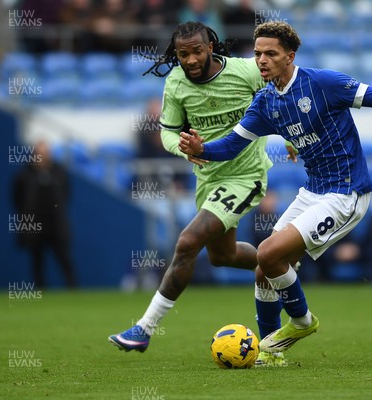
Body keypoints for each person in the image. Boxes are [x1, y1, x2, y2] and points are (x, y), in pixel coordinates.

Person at [180, 21, 372, 355]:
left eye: (271, 53)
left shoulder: (323, 83)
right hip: (314, 191)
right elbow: (230, 146)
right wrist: (201, 150)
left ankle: (302, 320)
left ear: (290, 56)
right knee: (262, 270)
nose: (262, 60)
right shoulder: (265, 102)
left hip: (347, 192)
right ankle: (271, 353)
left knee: (269, 254)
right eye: (257, 53)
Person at [108, 22, 295, 365]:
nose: (190, 59)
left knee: (187, 242)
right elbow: (167, 132)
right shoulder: (176, 84)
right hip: (208, 179)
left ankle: (144, 329)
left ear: (211, 47)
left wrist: (288, 135)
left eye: (196, 51)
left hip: (245, 175)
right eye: (183, 54)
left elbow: (279, 93)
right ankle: (279, 261)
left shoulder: (244, 71)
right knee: (221, 256)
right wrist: (184, 149)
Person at [12, 141, 77, 289]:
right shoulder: (24, 175)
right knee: (37, 262)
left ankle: (73, 290)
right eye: (39, 153)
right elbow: (17, 199)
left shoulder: (59, 172)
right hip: (35, 225)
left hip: (56, 225)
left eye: (45, 152)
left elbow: (66, 194)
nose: (42, 156)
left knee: (64, 259)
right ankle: (40, 290)